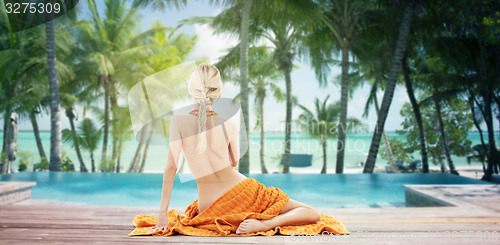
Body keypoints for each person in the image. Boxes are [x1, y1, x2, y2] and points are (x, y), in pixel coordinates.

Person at [129, 63, 349, 237]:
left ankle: (264, 222)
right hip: (245, 193)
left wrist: (162, 215)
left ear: (192, 89)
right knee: (313, 213)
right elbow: (233, 162)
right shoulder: (229, 125)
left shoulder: (178, 122)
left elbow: (170, 169)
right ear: (218, 91)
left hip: (210, 209)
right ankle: (267, 223)